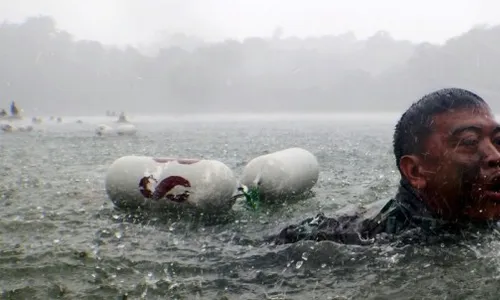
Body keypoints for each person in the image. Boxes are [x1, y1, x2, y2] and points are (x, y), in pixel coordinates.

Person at [271, 87, 500, 245]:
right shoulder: (362, 240)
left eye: (498, 141)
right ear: (415, 171)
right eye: (469, 142)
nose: (495, 155)